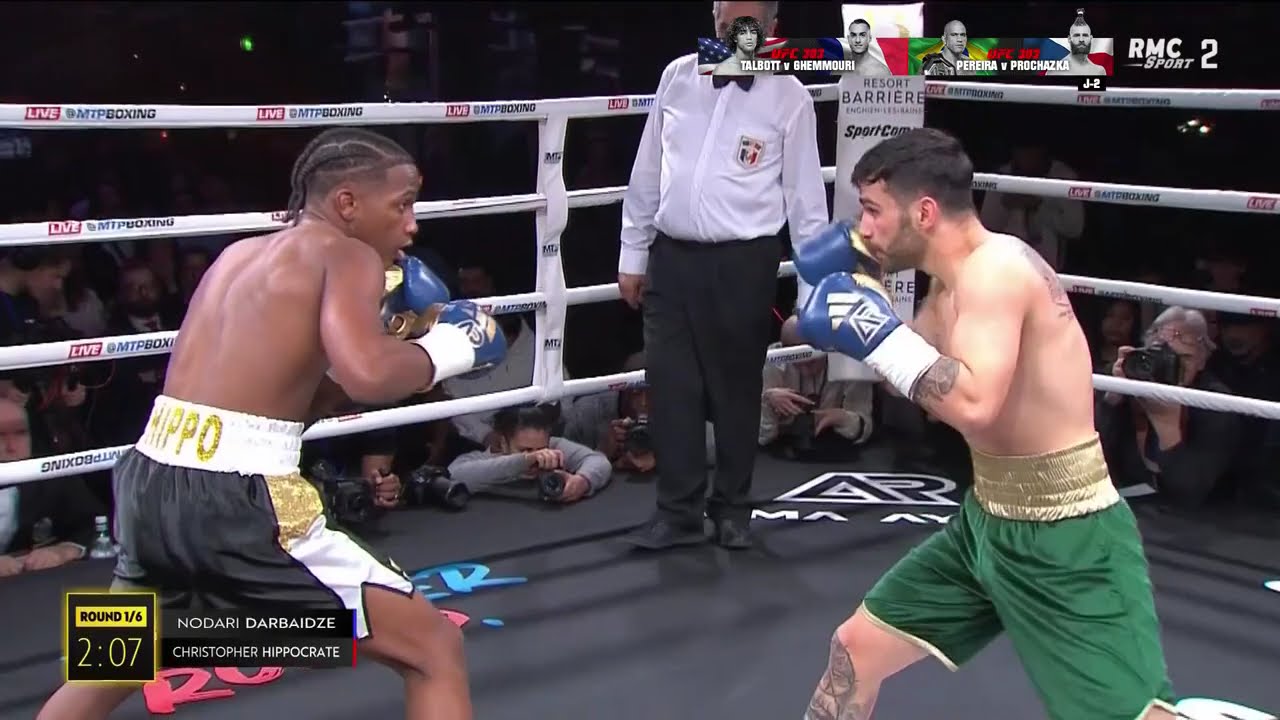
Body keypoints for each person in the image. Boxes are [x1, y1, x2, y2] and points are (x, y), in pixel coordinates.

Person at [36, 127, 507, 720]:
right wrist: (452, 347)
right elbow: (367, 375)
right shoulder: (348, 255)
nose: (412, 225)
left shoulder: (238, 255)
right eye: (402, 205)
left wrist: (400, 341)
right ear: (347, 203)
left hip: (148, 480)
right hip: (238, 499)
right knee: (433, 649)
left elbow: (293, 400)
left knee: (109, 664)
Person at [791, 128, 1176, 720]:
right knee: (855, 649)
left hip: (1068, 535)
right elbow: (922, 384)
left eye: (871, 211)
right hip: (988, 521)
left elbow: (973, 404)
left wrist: (874, 332)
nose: (861, 229)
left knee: (1135, 715)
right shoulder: (947, 282)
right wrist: (864, 303)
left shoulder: (996, 271)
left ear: (923, 212)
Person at [617, 0, 828, 550]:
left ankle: (733, 508)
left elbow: (806, 202)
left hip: (744, 261)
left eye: (747, 25)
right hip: (671, 257)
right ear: (713, 21)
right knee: (671, 387)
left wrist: (812, 293)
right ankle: (677, 512)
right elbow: (647, 169)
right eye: (724, 22)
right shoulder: (677, 77)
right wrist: (632, 253)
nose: (733, 34)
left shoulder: (789, 96)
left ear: (771, 28)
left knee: (736, 389)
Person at [1046, 12, 1107, 76]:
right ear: (1069, 39)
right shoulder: (1055, 70)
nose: (1081, 39)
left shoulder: (1099, 71)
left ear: (1090, 38)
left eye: (1085, 35)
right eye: (1077, 35)